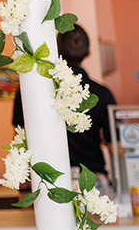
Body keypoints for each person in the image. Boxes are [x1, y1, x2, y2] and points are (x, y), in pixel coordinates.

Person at [13, 23, 117, 194]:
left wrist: (24, 188)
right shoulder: (101, 94)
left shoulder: (30, 92)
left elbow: (20, 140)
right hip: (93, 181)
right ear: (89, 53)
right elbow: (116, 147)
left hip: (47, 184)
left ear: (56, 51)